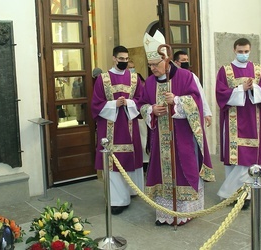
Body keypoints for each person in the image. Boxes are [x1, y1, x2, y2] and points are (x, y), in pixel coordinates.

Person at [139, 30, 215, 226]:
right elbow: (143, 104)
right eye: (150, 65)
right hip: (160, 140)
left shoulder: (185, 76)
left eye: (156, 64)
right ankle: (164, 213)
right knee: (161, 173)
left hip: (182, 137)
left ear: (167, 60)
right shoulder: (148, 82)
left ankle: (184, 213)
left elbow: (196, 101)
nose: (152, 68)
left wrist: (178, 101)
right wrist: (151, 110)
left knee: (184, 170)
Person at [216, 38, 261, 209]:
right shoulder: (225, 71)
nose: (243, 54)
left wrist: (254, 88)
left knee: (249, 156)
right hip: (233, 120)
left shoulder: (258, 69)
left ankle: (244, 195)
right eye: (240, 51)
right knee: (235, 158)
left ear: (250, 50)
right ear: (234, 50)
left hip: (253, 120)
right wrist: (242, 89)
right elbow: (221, 93)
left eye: (246, 51)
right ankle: (232, 195)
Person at [91, 45, 144, 215]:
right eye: (121, 59)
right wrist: (114, 104)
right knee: (113, 161)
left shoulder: (135, 78)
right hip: (110, 127)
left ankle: (132, 190)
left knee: (131, 158)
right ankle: (117, 200)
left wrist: (128, 103)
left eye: (126, 59)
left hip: (129, 124)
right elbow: (96, 104)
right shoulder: (103, 79)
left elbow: (141, 100)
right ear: (114, 58)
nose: (124, 62)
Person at [173, 51, 212, 127]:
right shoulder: (172, 76)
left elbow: (200, 94)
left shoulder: (192, 76)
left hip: (192, 113)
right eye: (183, 60)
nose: (186, 62)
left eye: (187, 60)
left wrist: (206, 113)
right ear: (176, 62)